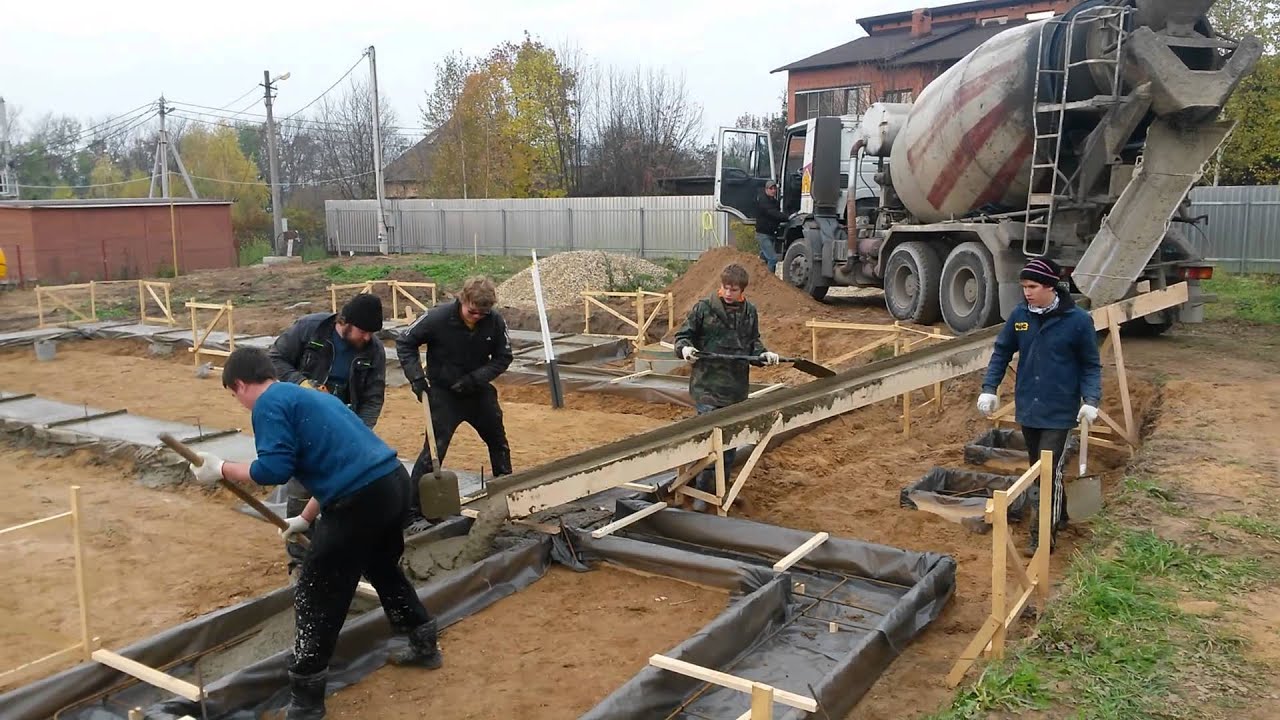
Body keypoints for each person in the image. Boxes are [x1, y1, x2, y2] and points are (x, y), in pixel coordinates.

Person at [189, 347, 442, 719]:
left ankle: (307, 700)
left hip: (361, 497)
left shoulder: (268, 404)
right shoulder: (308, 396)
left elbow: (273, 469)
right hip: (392, 484)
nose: (239, 403)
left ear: (240, 385)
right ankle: (424, 643)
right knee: (382, 568)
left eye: (234, 395)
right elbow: (338, 463)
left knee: (317, 591)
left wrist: (222, 468)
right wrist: (306, 518)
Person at [266, 293, 427, 571]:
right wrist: (302, 383)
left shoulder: (372, 351)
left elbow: (374, 397)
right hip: (303, 421)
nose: (367, 338)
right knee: (302, 488)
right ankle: (299, 561)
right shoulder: (310, 330)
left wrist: (358, 432)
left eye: (371, 333)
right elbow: (275, 358)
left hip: (343, 427)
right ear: (344, 323)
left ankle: (333, 552)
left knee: (343, 490)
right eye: (363, 332)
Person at [976, 257, 1102, 555]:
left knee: (1048, 473)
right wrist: (989, 388)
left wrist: (1091, 401)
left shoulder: (1078, 321)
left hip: (1060, 411)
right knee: (1039, 469)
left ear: (1050, 286)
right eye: (1024, 287)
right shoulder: (1021, 316)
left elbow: (1090, 365)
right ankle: (1062, 514)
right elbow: (1002, 352)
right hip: (1029, 408)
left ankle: (1042, 536)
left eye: (1032, 286)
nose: (1027, 292)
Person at [396, 276, 514, 514]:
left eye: (483, 313)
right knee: (433, 452)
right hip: (444, 394)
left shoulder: (495, 322)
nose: (478, 317)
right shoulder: (437, 318)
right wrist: (417, 378)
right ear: (463, 299)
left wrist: (475, 379)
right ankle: (411, 509)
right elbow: (405, 342)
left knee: (498, 443)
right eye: (473, 312)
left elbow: (504, 357)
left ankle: (506, 495)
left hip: (478, 393)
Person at [673, 263, 780, 511]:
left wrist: (764, 355)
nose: (728, 293)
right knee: (710, 440)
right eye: (725, 288)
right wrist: (685, 349)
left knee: (730, 444)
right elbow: (683, 336)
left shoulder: (749, 312)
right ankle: (701, 494)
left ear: (742, 290)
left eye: (734, 289)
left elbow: (752, 343)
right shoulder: (704, 308)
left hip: (735, 389)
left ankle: (718, 491)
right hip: (707, 386)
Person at [755, 179, 788, 274]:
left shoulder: (775, 202)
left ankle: (758, 277)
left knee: (763, 258)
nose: (773, 190)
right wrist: (787, 217)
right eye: (771, 188)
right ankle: (769, 280)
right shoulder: (762, 201)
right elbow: (773, 213)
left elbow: (776, 215)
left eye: (774, 188)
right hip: (763, 234)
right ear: (766, 190)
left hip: (771, 234)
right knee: (773, 258)